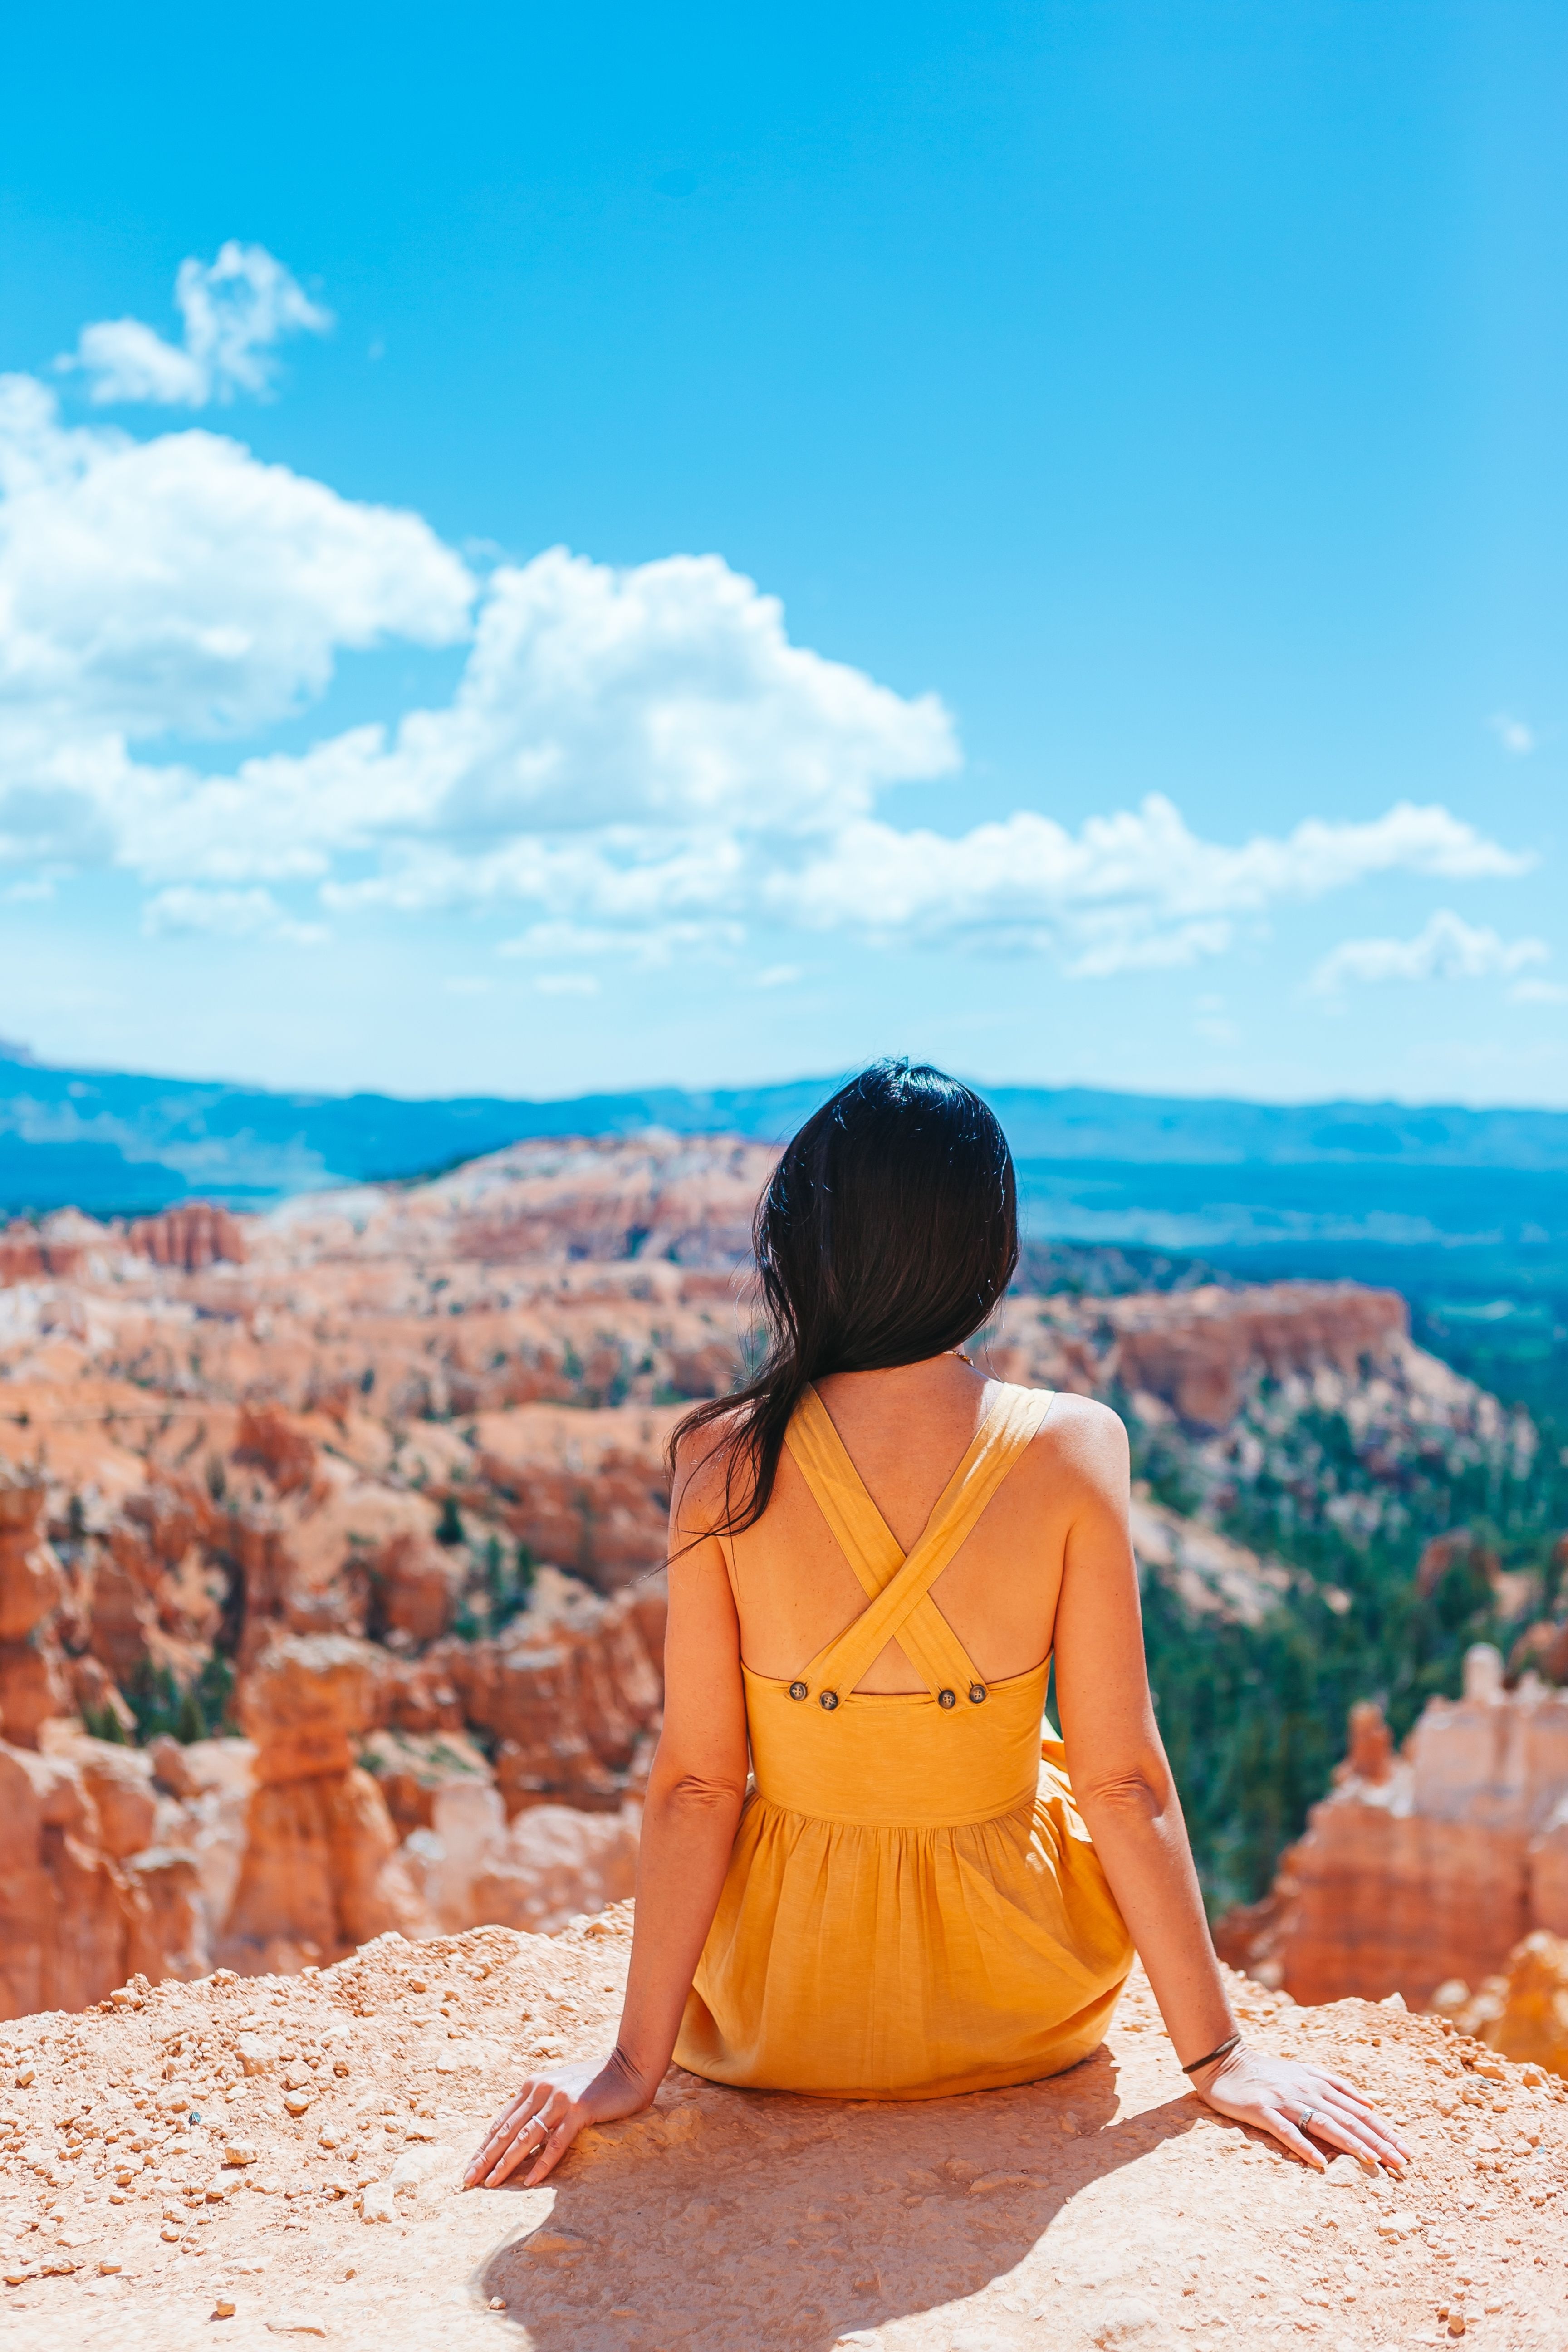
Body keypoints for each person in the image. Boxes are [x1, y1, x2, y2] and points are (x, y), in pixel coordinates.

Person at [466, 1060, 1408, 2190]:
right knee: (1054, 1761)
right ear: (991, 1256)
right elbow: (1125, 1784)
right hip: (1023, 2006)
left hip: (779, 2017)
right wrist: (1221, 2055)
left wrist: (631, 2062)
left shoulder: (721, 1460)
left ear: (802, 1245)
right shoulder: (1073, 1448)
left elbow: (698, 1786)